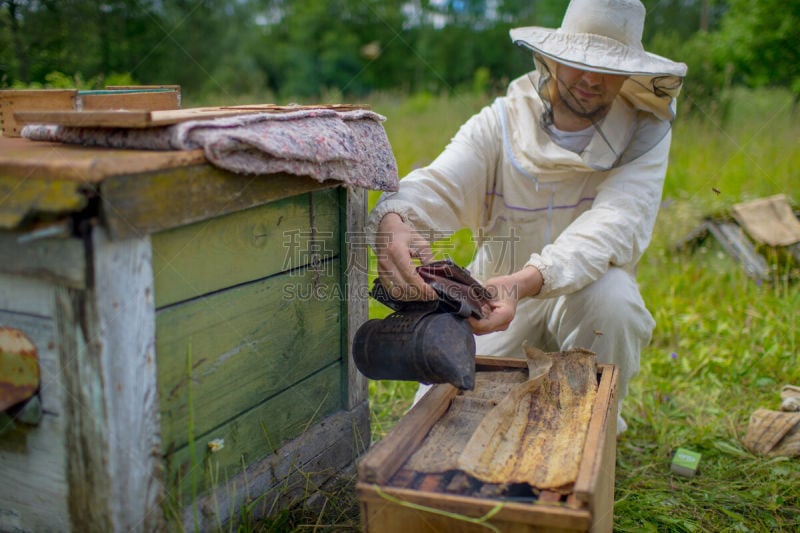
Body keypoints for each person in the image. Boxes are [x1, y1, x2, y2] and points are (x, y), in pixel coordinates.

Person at [366, 0, 687, 433]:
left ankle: (594, 427)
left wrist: (526, 282)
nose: (591, 79)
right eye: (579, 63)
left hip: (579, 303)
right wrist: (396, 220)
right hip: (493, 306)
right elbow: (440, 182)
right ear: (551, 59)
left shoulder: (645, 132)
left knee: (613, 298)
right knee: (442, 429)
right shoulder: (499, 122)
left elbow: (614, 224)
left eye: (608, 67)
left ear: (630, 73)